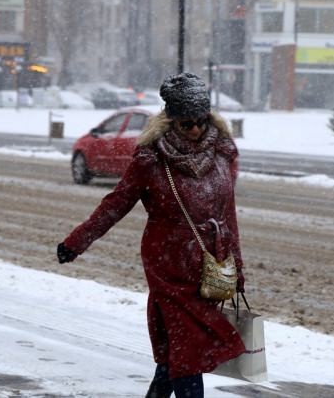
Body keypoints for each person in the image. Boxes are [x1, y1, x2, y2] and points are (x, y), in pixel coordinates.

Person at [57, 72, 246, 397]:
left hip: (207, 270)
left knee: (177, 353)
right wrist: (77, 241)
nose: (196, 129)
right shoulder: (151, 159)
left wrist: (236, 269)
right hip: (169, 269)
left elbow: (227, 216)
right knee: (187, 355)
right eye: (186, 123)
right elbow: (115, 204)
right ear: (171, 120)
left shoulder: (222, 154)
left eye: (201, 120)